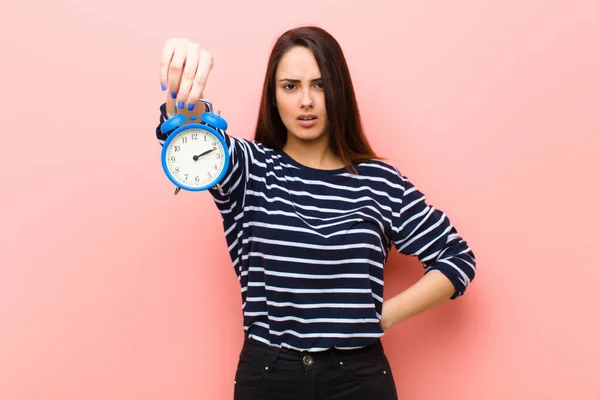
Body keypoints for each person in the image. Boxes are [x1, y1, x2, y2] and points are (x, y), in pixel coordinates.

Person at [155, 26, 476, 400]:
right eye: (290, 86)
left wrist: (380, 316)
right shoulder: (252, 168)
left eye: (320, 85)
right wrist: (183, 88)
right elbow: (188, 137)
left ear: (339, 92)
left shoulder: (379, 182)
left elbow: (456, 258)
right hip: (270, 374)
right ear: (273, 97)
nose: (306, 100)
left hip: (359, 376)